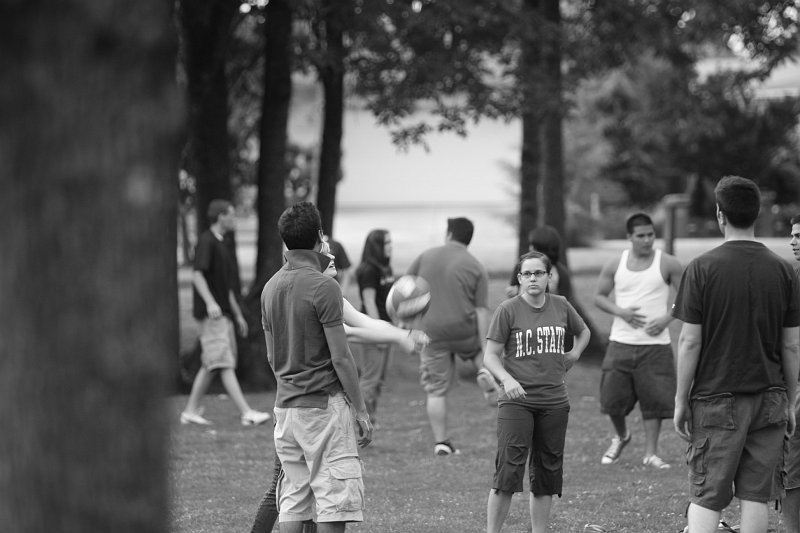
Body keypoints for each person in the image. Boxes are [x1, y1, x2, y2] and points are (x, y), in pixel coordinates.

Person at [250, 249, 429, 533]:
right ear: (310, 251)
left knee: (297, 494)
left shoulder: (308, 289)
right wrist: (399, 337)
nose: (332, 254)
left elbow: (364, 323)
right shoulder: (315, 290)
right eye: (324, 246)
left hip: (289, 404)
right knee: (301, 494)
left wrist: (401, 334)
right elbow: (347, 337)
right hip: (312, 403)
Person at [673, 176, 800, 533]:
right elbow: (791, 345)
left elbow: (689, 342)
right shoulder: (783, 270)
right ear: (757, 214)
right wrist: (790, 401)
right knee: (756, 496)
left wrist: (681, 400)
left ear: (720, 214)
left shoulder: (701, 267)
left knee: (707, 495)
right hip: (770, 398)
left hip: (715, 397)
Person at [260, 201, 373, 532]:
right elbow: (341, 357)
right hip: (323, 407)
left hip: (285, 410)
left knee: (293, 502)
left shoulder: (269, 288)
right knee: (333, 502)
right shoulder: (325, 286)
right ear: (319, 236)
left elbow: (272, 357)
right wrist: (361, 410)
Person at [483, 251, 591, 533]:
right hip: (516, 402)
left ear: (549, 277)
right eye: (527, 274)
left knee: (546, 475)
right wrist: (507, 380)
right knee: (508, 473)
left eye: (539, 273)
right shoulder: (507, 310)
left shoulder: (561, 305)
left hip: (554, 402)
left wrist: (574, 354)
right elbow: (490, 356)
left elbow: (584, 332)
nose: (533, 278)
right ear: (519, 278)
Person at [593, 212, 683, 468]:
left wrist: (666, 319)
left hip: (655, 346)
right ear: (629, 237)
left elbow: (687, 296)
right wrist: (620, 311)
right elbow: (599, 296)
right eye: (641, 236)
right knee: (611, 401)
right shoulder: (615, 264)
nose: (647, 240)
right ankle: (622, 436)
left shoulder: (668, 263)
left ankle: (650, 453)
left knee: (654, 402)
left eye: (650, 235)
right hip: (620, 342)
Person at [406, 216, 494, 456]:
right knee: (478, 354)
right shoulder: (475, 265)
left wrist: (408, 325)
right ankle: (487, 375)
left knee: (435, 389)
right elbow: (481, 310)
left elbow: (405, 289)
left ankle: (441, 442)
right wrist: (485, 347)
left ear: (449, 234)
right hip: (463, 328)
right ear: (469, 238)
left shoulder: (425, 256)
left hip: (432, 332)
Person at [179, 199, 271, 426]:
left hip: (224, 315)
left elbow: (227, 287)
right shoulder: (206, 241)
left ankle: (190, 410)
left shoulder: (223, 244)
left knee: (211, 363)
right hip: (212, 316)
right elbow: (198, 275)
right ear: (220, 216)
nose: (234, 218)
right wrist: (211, 303)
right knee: (223, 363)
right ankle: (246, 413)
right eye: (231, 214)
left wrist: (237, 315)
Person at [353, 229, 396, 424]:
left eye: (390, 242)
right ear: (377, 246)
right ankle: (362, 420)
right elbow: (369, 301)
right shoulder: (368, 270)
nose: (390, 246)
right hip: (373, 329)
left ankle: (372, 419)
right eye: (386, 243)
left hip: (387, 327)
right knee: (370, 379)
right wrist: (378, 331)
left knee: (379, 380)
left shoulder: (386, 268)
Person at [780, 213, 800, 533]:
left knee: (792, 459)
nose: (794, 242)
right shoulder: (793, 276)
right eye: (793, 235)